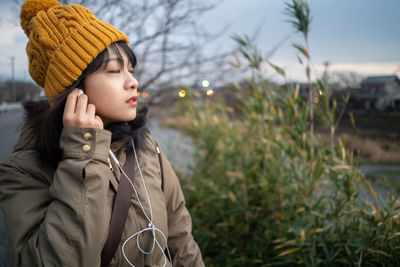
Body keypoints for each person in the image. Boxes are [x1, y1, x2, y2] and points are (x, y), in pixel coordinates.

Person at [0, 0, 204, 266]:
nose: (133, 82)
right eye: (113, 71)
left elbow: (181, 238)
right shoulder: (24, 170)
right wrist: (82, 156)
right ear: (75, 90)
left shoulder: (146, 148)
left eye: (130, 69)